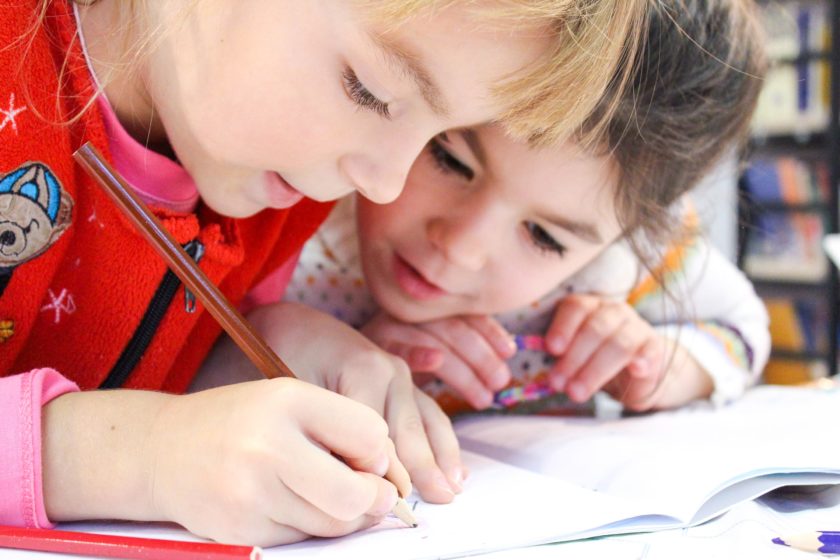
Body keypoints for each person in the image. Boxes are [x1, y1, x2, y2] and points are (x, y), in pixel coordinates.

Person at [0, 0, 648, 547]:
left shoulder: (276, 187)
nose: (387, 182)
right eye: (372, 91)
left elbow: (119, 367)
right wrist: (139, 456)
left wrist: (253, 351)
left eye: (439, 135)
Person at [276, 0, 770, 415]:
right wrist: (323, 356)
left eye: (544, 237)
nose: (462, 248)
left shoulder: (629, 264)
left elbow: (743, 327)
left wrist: (666, 366)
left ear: (631, 233)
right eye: (449, 160)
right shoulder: (292, 198)